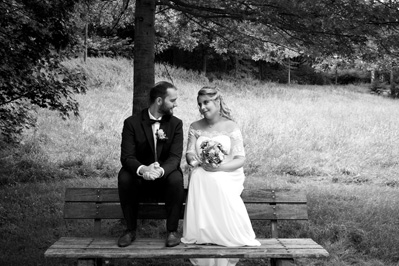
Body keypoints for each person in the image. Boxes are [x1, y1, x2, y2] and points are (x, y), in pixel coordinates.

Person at [181, 86, 261, 266]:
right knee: (199, 175)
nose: (202, 107)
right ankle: (203, 233)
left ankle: (225, 233)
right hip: (203, 169)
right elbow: (190, 154)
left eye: (206, 102)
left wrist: (219, 167)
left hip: (227, 172)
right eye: (199, 104)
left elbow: (240, 159)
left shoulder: (231, 126)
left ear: (217, 102)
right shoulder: (195, 127)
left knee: (214, 178)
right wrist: (197, 162)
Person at [117, 81, 185, 248]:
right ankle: (130, 230)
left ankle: (172, 231)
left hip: (164, 177)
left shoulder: (176, 124)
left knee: (176, 177)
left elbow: (175, 158)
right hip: (139, 179)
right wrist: (143, 169)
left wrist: (160, 171)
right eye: (173, 100)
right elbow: (127, 157)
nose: (176, 104)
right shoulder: (131, 123)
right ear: (160, 101)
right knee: (124, 176)